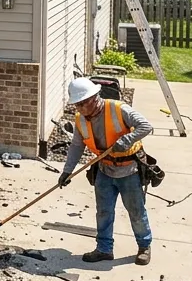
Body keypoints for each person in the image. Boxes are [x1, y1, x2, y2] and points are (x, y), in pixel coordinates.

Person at [58, 77, 155, 265]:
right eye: (77, 105)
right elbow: (77, 146)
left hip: (128, 170)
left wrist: (127, 140)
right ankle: (104, 249)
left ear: (94, 98)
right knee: (103, 212)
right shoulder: (80, 119)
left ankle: (144, 246)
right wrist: (67, 171)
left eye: (82, 104)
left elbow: (146, 126)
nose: (79, 108)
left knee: (136, 211)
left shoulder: (118, 109)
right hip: (104, 169)